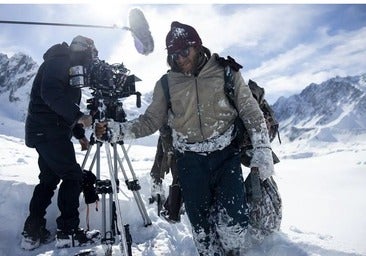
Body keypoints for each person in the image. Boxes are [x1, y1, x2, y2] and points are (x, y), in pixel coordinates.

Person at [96, 21, 274, 255]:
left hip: (225, 155)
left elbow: (250, 110)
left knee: (234, 221)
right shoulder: (167, 84)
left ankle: (233, 251)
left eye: (184, 52)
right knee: (200, 227)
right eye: (174, 54)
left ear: (197, 46)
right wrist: (118, 130)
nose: (180, 59)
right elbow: (150, 121)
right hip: (190, 162)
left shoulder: (227, 72)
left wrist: (263, 147)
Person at [21, 35, 101, 250]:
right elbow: (51, 94)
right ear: (84, 50)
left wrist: (79, 134)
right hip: (49, 131)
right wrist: (78, 116)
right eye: (92, 55)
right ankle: (68, 232)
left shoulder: (67, 66)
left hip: (45, 131)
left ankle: (32, 233)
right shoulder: (60, 61)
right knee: (72, 175)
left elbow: (61, 107)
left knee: (48, 179)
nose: (91, 61)